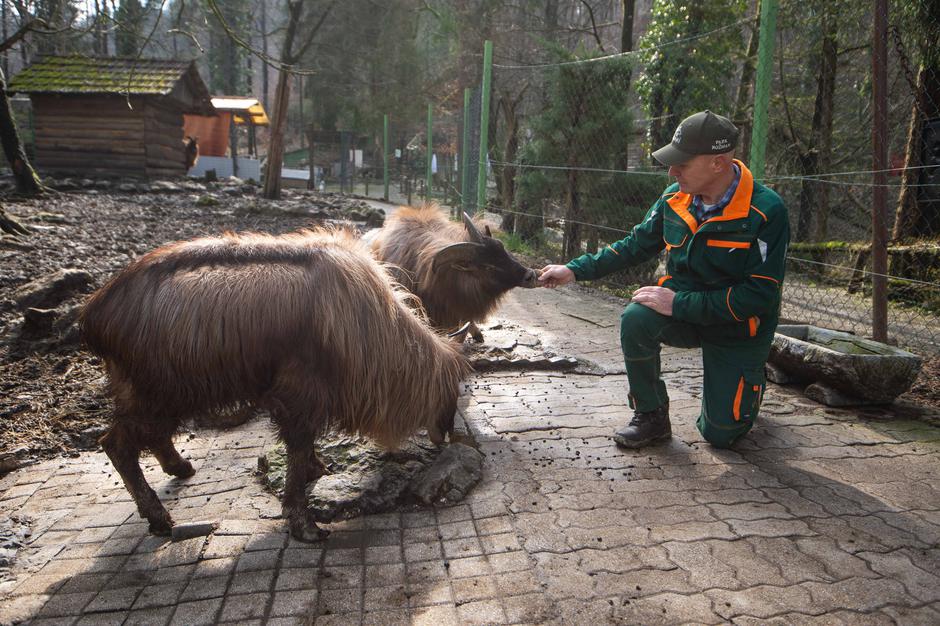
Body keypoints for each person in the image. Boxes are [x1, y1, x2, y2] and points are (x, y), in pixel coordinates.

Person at [539, 110, 789, 449]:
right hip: (684, 312)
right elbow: (635, 245)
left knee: (721, 435)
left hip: (737, 327)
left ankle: (748, 385)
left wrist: (678, 303)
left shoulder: (766, 211)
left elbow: (757, 296)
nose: (673, 171)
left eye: (682, 164)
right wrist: (574, 270)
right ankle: (651, 415)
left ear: (718, 162)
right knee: (637, 318)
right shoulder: (675, 197)